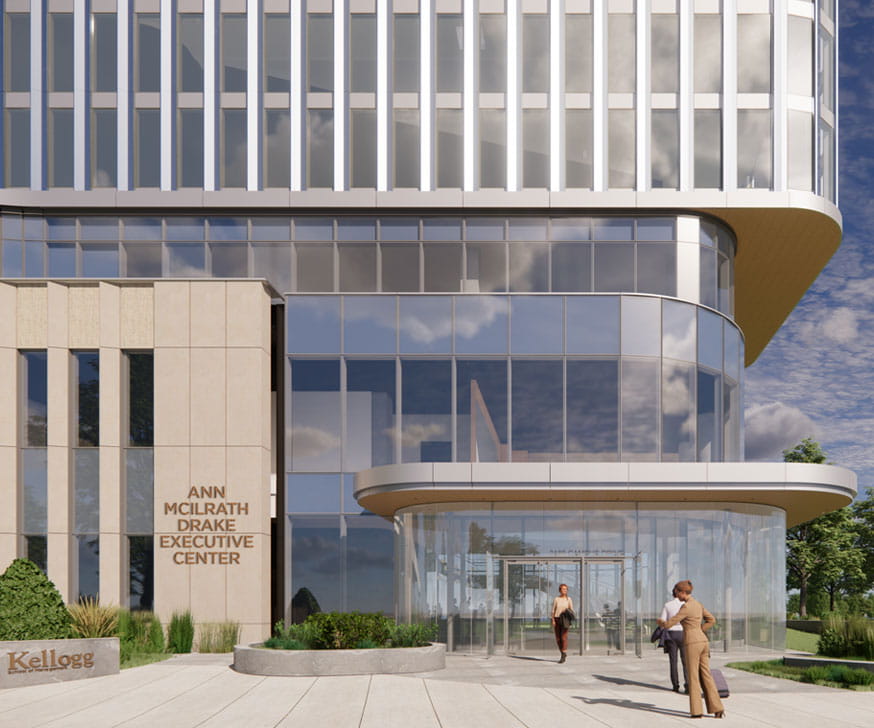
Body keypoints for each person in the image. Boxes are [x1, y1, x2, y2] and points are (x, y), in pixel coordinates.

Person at [657, 580, 725, 719]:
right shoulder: (698, 604)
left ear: (683, 592)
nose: (676, 596)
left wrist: (661, 622)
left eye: (677, 593)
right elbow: (711, 620)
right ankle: (717, 708)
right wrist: (700, 629)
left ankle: (696, 711)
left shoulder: (686, 607)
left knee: (693, 676)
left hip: (692, 643)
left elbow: (669, 624)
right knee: (706, 675)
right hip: (703, 641)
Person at [659, 586, 688, 693]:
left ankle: (675, 685)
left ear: (673, 594)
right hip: (683, 633)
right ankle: (688, 685)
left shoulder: (668, 605)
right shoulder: (685, 605)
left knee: (673, 661)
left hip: (671, 634)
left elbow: (662, 621)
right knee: (686, 661)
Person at [550, 583, 573, 663]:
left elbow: (571, 610)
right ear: (560, 590)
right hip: (557, 619)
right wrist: (553, 620)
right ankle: (563, 653)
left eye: (566, 589)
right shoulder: (556, 599)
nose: (565, 590)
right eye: (563, 589)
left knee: (563, 637)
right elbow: (553, 610)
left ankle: (563, 654)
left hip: (565, 619)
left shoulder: (568, 599)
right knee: (558, 638)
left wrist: (566, 610)